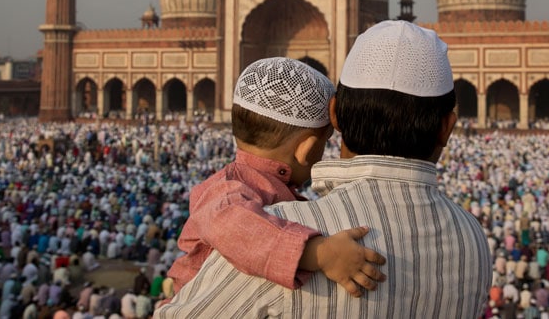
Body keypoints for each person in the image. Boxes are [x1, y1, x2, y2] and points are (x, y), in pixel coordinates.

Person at [158, 20, 492, 318]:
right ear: (448, 126)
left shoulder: (288, 225)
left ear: (335, 114)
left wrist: (314, 250)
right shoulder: (473, 240)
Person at [165, 57, 386, 297]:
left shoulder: (258, 186)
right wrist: (320, 253)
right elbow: (234, 227)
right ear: (308, 149)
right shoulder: (228, 192)